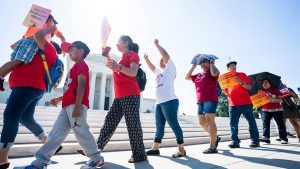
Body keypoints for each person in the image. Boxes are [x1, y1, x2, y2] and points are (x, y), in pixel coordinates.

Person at [15, 41, 104, 169]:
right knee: (55, 135)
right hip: (67, 106)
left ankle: (96, 158)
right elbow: (72, 88)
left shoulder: (81, 65)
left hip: (75, 106)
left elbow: (82, 84)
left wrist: (78, 105)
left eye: (72, 49)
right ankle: (41, 162)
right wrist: (60, 99)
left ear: (81, 51)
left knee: (81, 131)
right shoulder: (74, 67)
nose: (69, 51)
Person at [0, 24, 58, 169]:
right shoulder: (32, 47)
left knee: (11, 116)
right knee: (26, 118)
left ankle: (2, 158)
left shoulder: (49, 49)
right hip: (30, 87)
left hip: (27, 86)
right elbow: (14, 46)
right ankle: (49, 142)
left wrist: (51, 29)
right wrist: (28, 32)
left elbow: (38, 36)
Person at [94, 35, 147, 163]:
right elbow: (114, 66)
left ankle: (139, 154)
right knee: (109, 122)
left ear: (126, 43)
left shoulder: (132, 54)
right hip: (119, 96)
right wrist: (107, 54)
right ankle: (94, 150)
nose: (117, 44)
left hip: (130, 94)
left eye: (119, 41)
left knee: (132, 124)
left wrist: (119, 67)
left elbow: (133, 72)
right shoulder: (122, 58)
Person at [144, 39, 186, 158]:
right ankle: (156, 148)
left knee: (173, 124)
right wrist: (147, 59)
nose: (162, 60)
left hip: (170, 101)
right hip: (159, 103)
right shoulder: (158, 72)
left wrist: (156, 45)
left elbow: (165, 55)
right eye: (160, 60)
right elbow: (152, 68)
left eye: (163, 59)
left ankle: (181, 149)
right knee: (159, 125)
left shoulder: (170, 68)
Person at [0, 14, 65, 91]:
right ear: (50, 20)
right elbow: (61, 35)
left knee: (16, 62)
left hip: (27, 40)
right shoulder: (49, 26)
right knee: (19, 61)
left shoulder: (36, 24)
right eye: (53, 22)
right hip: (33, 41)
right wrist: (64, 44)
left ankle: (1, 77)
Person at [185, 55, 221, 153]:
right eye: (201, 62)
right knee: (201, 122)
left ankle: (213, 146)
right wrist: (193, 66)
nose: (203, 64)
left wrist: (212, 63)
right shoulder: (198, 75)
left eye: (205, 61)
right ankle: (215, 137)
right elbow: (187, 77)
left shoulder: (211, 71)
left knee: (210, 121)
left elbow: (215, 74)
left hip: (210, 99)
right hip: (200, 101)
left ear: (209, 62)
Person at [223, 61, 260, 148]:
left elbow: (249, 87)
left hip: (245, 103)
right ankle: (235, 141)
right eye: (231, 66)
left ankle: (255, 141)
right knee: (233, 124)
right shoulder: (225, 78)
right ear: (228, 69)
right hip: (232, 104)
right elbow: (225, 92)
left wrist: (241, 82)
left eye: (234, 65)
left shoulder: (242, 74)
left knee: (251, 122)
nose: (233, 67)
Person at [259, 79, 288, 144]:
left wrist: (272, 99)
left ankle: (284, 138)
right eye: (263, 83)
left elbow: (280, 100)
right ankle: (266, 138)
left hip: (276, 109)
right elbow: (259, 102)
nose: (264, 84)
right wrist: (259, 96)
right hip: (265, 110)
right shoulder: (261, 92)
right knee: (265, 123)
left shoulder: (275, 90)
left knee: (280, 124)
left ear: (270, 84)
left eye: (266, 82)